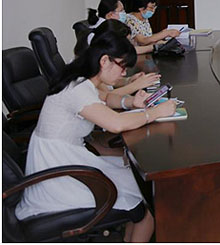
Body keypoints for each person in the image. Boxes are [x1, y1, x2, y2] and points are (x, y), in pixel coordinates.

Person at [14, 31, 177, 242]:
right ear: (104, 60)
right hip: (59, 172)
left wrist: (131, 102)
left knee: (139, 185)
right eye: (122, 66)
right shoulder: (77, 89)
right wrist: (155, 113)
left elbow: (106, 98)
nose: (124, 73)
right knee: (145, 197)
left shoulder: (79, 79)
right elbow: (116, 124)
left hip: (66, 159)